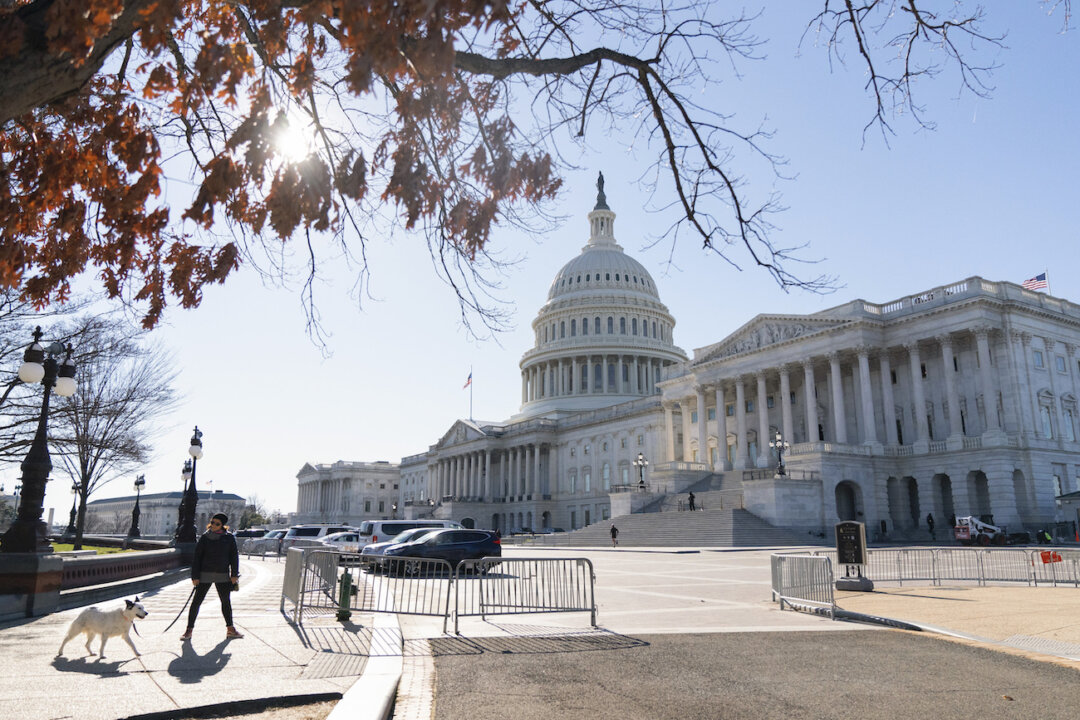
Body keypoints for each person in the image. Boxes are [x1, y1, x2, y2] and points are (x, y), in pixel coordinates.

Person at [181, 513, 243, 641]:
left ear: (223, 525)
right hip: (205, 574)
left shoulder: (229, 538)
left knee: (226, 602)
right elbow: (197, 557)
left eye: (217, 523)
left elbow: (233, 557)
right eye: (212, 522)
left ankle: (230, 629)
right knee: (196, 602)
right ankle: (189, 630)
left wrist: (234, 574)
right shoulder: (204, 537)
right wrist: (195, 576)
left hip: (222, 575)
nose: (213, 525)